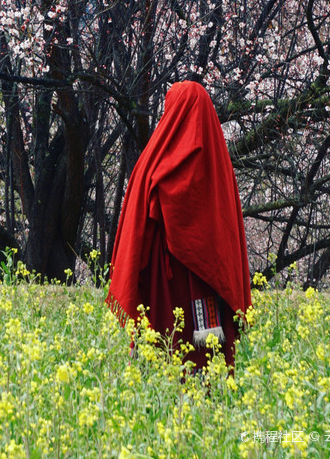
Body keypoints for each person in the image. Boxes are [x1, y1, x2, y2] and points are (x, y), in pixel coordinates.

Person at [106, 80, 251, 370]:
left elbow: (146, 214)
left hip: (166, 274)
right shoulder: (220, 164)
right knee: (205, 359)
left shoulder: (154, 160)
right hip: (207, 278)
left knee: (166, 349)